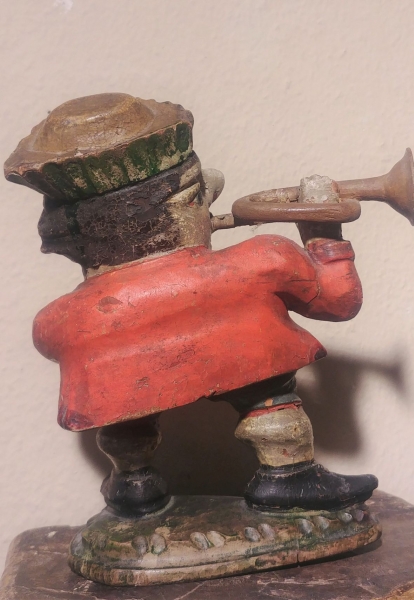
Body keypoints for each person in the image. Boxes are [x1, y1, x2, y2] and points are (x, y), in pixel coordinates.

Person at [5, 93, 377, 516]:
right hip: (246, 358)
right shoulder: (264, 259)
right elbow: (339, 302)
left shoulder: (59, 321)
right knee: (269, 396)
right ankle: (288, 475)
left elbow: (48, 341)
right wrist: (323, 230)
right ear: (184, 207)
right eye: (200, 192)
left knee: (125, 418)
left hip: (120, 384)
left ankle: (133, 483)